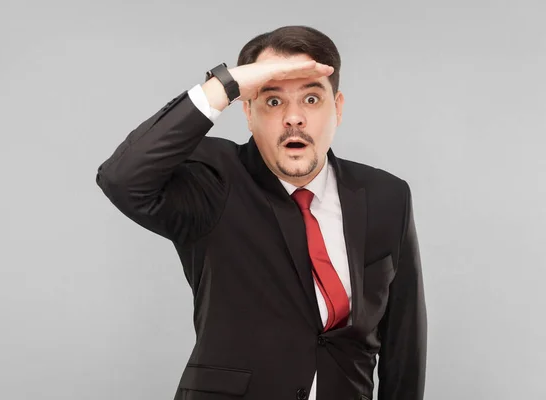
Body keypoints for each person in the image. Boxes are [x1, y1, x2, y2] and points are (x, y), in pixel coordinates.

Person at [96, 25, 427, 400]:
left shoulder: (387, 195)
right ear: (248, 113)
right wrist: (226, 84)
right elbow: (122, 178)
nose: (294, 118)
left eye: (312, 100)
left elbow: (404, 343)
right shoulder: (216, 180)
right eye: (272, 101)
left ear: (337, 110)